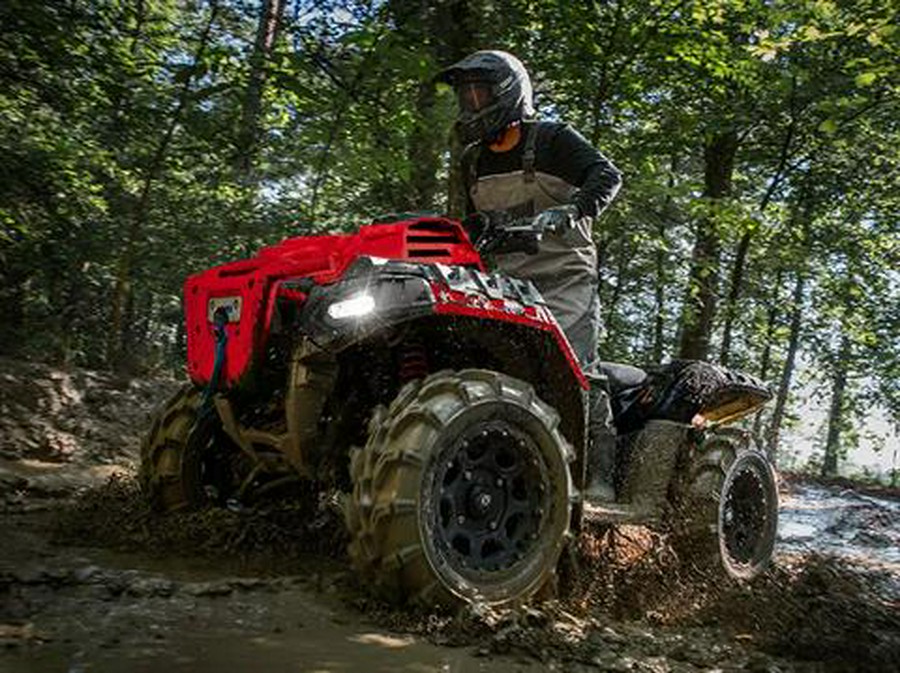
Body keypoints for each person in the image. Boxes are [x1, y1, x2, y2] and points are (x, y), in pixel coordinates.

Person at [438, 50, 623, 502]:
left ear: (508, 94)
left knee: (577, 372)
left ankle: (599, 474)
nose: (472, 105)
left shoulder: (554, 140)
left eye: (480, 93)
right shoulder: (472, 160)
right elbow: (466, 225)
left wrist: (573, 210)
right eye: (466, 96)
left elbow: (607, 174)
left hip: (563, 278)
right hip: (503, 285)